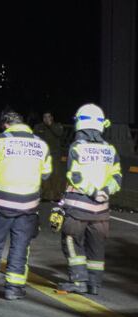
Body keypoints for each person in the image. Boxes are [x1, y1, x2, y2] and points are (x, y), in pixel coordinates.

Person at [0, 111, 52, 300]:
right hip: (28, 206)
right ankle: (14, 289)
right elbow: (46, 173)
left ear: (6, 125)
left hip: (0, 204)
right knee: (20, 247)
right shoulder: (41, 143)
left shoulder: (0, 140)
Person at [55, 104, 122, 295]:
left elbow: (74, 175)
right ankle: (94, 284)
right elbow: (117, 178)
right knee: (96, 246)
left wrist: (92, 191)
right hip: (101, 211)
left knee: (71, 241)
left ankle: (78, 282)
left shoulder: (77, 147)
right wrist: (105, 191)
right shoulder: (110, 149)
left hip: (78, 209)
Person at [33, 111, 65, 201]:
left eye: (48, 117)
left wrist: (51, 125)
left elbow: (59, 133)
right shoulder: (38, 127)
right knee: (44, 176)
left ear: (52, 118)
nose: (46, 119)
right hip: (42, 155)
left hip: (55, 155)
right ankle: (45, 195)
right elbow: (35, 138)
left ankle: (56, 196)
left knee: (56, 176)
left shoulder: (57, 126)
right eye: (44, 117)